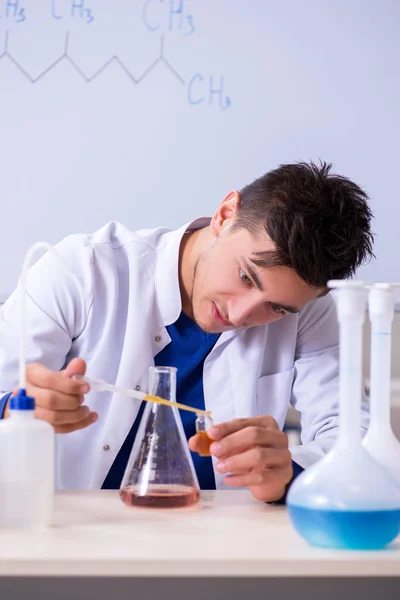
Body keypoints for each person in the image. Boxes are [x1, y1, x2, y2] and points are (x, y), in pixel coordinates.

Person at [0, 161, 374, 503]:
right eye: (246, 276)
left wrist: (288, 474)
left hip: (221, 545)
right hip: (72, 535)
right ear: (226, 215)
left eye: (276, 308)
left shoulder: (311, 310)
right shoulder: (82, 270)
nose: (240, 314)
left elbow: (354, 440)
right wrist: (12, 409)